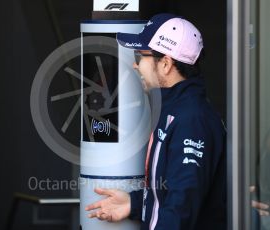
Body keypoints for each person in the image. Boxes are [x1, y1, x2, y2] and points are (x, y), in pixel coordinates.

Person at [85, 13, 227, 230]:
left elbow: (181, 207)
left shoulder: (192, 120)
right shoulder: (177, 110)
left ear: (166, 64)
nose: (135, 66)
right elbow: (172, 193)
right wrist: (134, 203)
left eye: (140, 56)